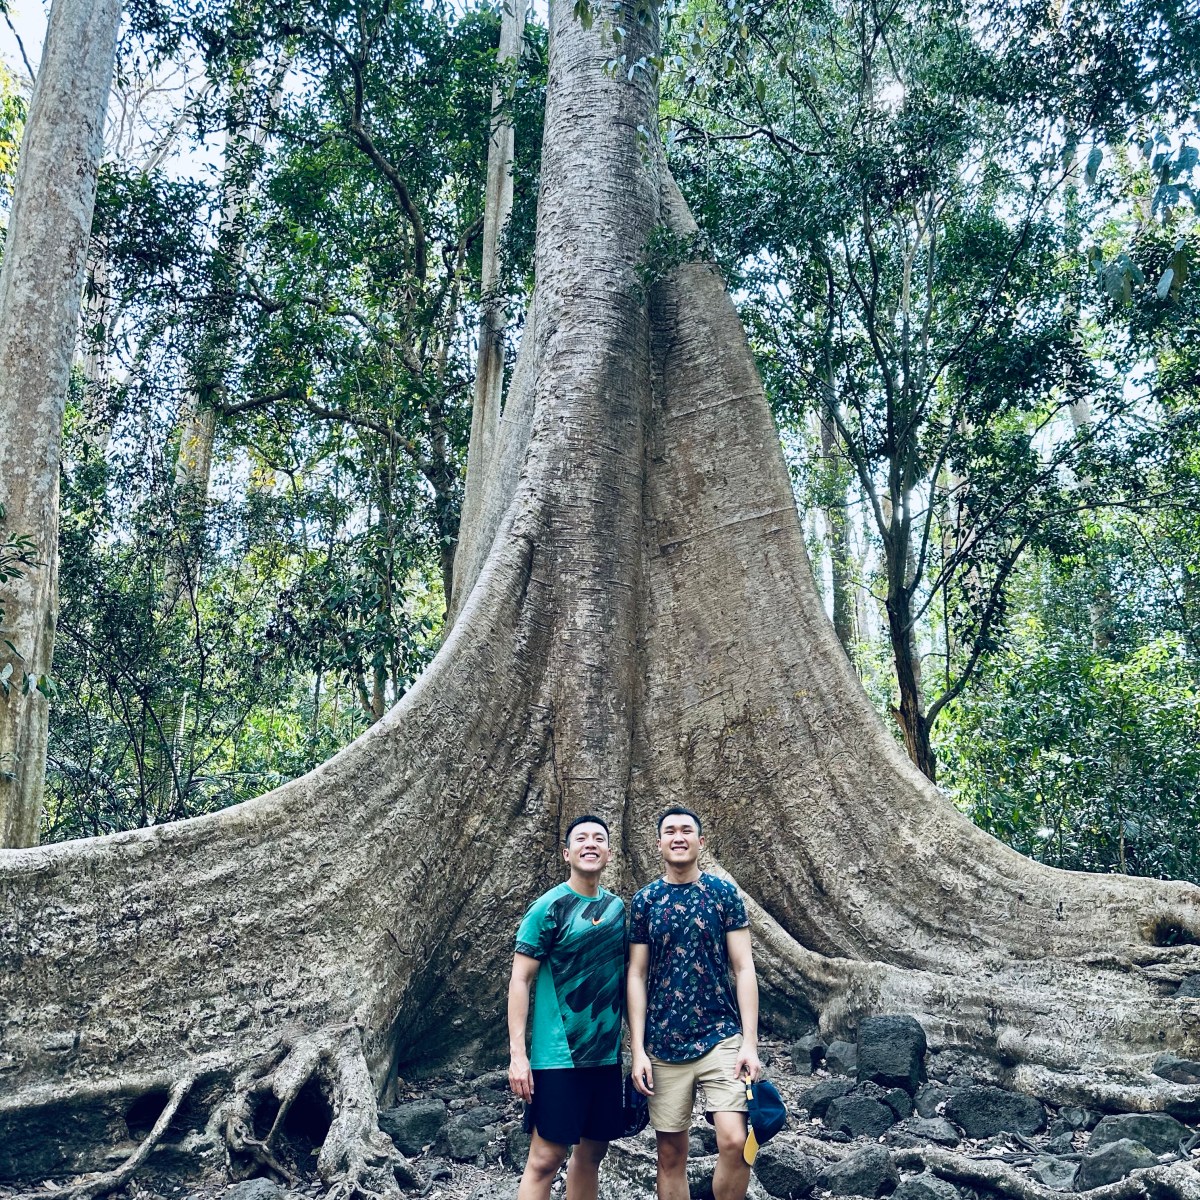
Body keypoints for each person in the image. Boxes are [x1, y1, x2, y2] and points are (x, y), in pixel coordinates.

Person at [627, 806, 762, 1200]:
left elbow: (744, 967)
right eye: (670, 831)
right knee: (670, 1156)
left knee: (736, 1141)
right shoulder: (646, 900)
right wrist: (638, 1051)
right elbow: (636, 974)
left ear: (701, 842)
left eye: (687, 830)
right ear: (659, 844)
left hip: (721, 1036)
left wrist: (750, 1043)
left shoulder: (723, 893)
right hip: (664, 1044)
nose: (679, 836)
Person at [508, 815, 626, 1200]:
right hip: (558, 1057)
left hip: (605, 1056)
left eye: (598, 838)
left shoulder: (617, 909)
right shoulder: (548, 908)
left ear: (609, 852)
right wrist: (518, 1056)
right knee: (546, 1157)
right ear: (567, 852)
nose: (590, 844)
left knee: (593, 1152)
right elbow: (520, 980)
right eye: (581, 838)